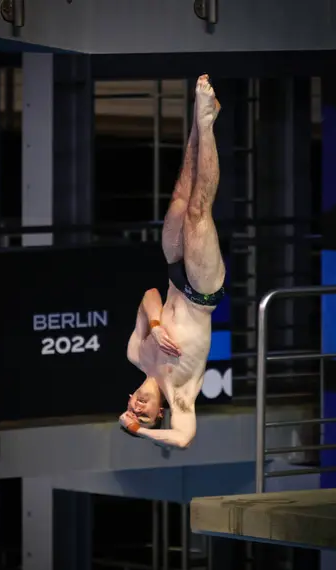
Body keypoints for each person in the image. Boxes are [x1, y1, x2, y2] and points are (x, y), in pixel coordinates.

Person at [119, 74, 225, 449]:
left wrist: (158, 324)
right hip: (201, 293)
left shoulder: (137, 354)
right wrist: (139, 432)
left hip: (174, 277)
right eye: (144, 414)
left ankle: (201, 121)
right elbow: (184, 440)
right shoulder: (180, 394)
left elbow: (149, 295)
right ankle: (207, 124)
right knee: (198, 212)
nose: (138, 407)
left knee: (181, 195)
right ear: (159, 414)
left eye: (132, 408)